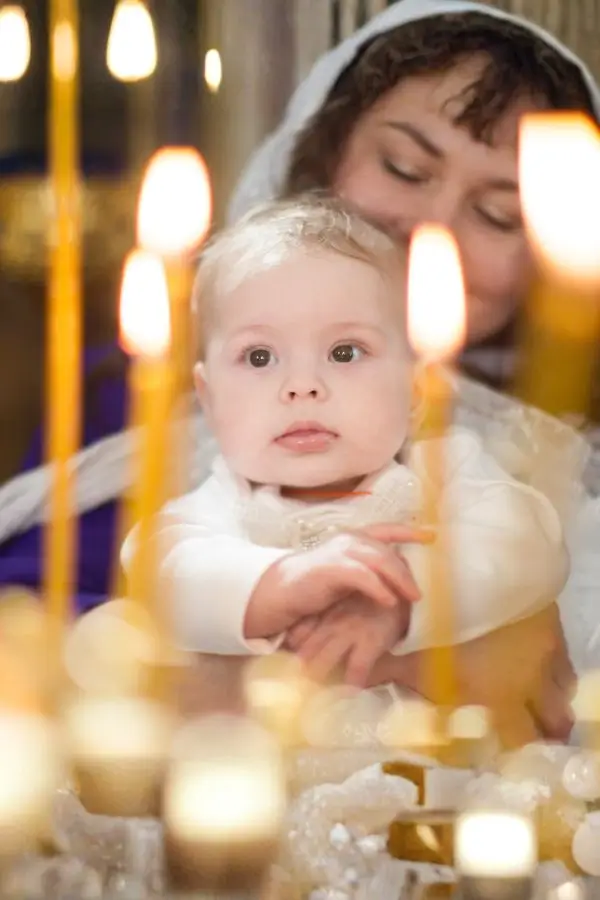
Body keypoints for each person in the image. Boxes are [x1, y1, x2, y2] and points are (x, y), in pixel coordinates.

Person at [228, 0, 600, 739]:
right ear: (320, 153)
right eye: (404, 167)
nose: (432, 232)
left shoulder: (569, 480)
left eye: (499, 214)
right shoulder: (131, 408)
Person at [122, 196, 567, 703]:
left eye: (344, 352)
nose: (302, 385)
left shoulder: (444, 472)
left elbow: (525, 544)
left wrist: (400, 605)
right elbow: (156, 571)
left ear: (416, 393)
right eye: (259, 355)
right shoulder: (222, 506)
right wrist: (277, 582)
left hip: (437, 769)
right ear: (209, 398)